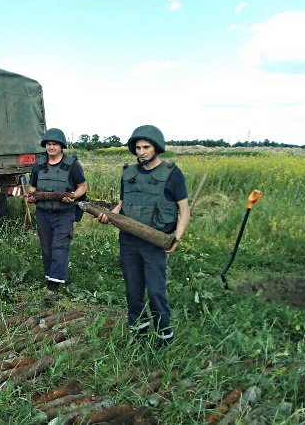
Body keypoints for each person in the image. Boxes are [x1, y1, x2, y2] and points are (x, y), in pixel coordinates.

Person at [98, 125, 189, 347]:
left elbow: (184, 209)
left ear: (156, 147)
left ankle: (163, 336)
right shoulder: (128, 173)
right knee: (133, 289)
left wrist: (177, 237)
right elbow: (122, 203)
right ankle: (138, 331)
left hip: (155, 241)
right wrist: (110, 216)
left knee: (156, 291)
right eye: (138, 147)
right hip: (129, 240)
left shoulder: (172, 174)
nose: (141, 152)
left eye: (146, 147)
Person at [26, 128, 88, 292]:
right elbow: (32, 186)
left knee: (59, 247)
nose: (51, 147)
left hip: (64, 214)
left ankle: (54, 286)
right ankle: (50, 277)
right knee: (46, 248)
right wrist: (31, 196)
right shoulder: (39, 164)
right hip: (43, 213)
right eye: (48, 144)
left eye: (54, 144)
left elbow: (82, 186)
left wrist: (73, 196)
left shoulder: (72, 165)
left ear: (61, 146)